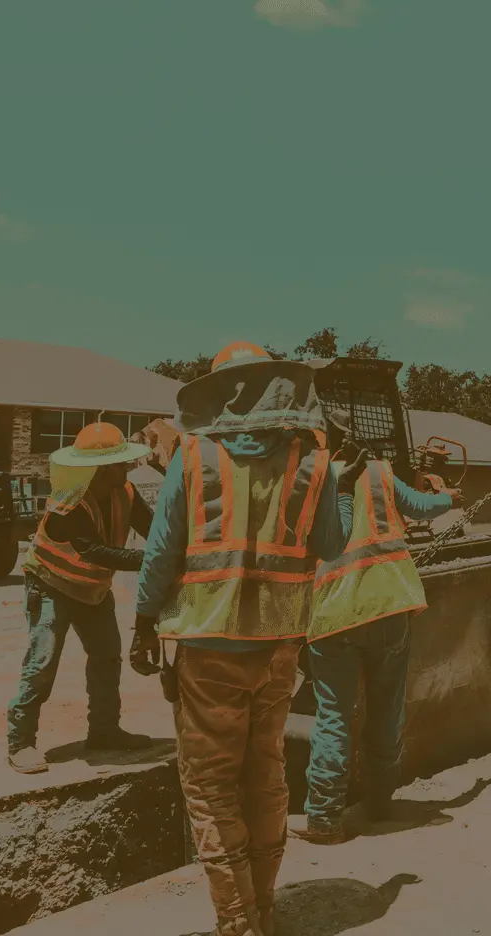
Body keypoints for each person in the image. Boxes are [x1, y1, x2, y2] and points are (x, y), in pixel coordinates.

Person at [129, 341, 344, 936]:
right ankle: (266, 914)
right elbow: (331, 541)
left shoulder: (195, 454)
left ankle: (238, 924)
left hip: (207, 648)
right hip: (279, 646)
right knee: (266, 775)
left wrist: (142, 622)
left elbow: (162, 550)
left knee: (211, 788)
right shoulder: (311, 457)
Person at [289, 430, 461, 846]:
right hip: (389, 603)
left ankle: (325, 817)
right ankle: (380, 802)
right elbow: (422, 506)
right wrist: (452, 499)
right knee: (386, 709)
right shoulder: (380, 472)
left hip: (335, 612)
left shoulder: (307, 481)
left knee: (334, 715)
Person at [7, 421, 155, 774]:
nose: (128, 468)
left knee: (106, 658)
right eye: (120, 463)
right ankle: (21, 741)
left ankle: (104, 732)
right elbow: (95, 551)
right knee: (42, 662)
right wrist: (156, 559)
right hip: (50, 586)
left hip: (91, 590)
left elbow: (155, 530)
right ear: (100, 469)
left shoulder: (126, 493)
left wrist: (176, 546)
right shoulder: (67, 504)